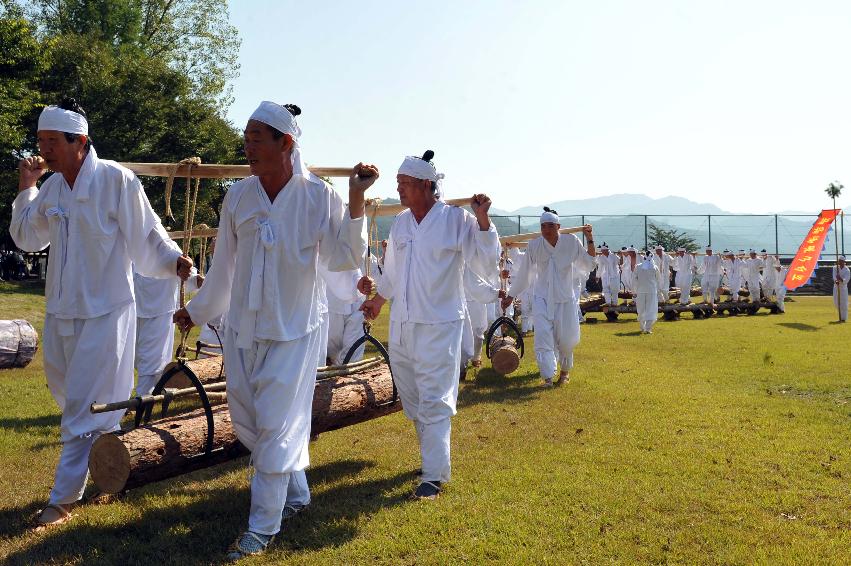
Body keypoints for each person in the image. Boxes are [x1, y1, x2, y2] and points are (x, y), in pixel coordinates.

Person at [173, 101, 377, 559]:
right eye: (245, 138)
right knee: (249, 421)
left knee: (277, 425)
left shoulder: (318, 196)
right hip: (244, 329)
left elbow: (343, 257)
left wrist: (357, 198)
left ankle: (262, 526)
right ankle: (298, 494)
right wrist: (198, 311)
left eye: (255, 139)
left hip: (296, 330)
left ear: (286, 143)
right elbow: (223, 266)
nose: (247, 147)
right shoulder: (238, 196)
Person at [10, 98, 192, 527]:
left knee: (79, 408)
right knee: (73, 394)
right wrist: (26, 187)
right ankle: (117, 466)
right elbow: (26, 238)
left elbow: (147, 234)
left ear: (80, 141)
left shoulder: (116, 180)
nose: (45, 149)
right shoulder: (51, 188)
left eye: (53, 141)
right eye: (41, 141)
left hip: (105, 312)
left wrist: (172, 260)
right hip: (60, 311)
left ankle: (62, 499)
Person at [359, 150, 498, 500]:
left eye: (405, 184)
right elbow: (392, 273)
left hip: (440, 324)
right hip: (403, 326)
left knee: (435, 398)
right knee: (413, 398)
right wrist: (378, 300)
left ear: (426, 185)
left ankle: (434, 476)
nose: (400, 190)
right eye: (398, 184)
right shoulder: (403, 222)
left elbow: (484, 260)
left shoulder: (456, 220)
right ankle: (430, 460)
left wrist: (482, 220)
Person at [502, 209, 595, 387]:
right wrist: (511, 295)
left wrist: (590, 237)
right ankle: (547, 377)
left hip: (565, 299)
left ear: (558, 226)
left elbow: (589, 262)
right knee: (543, 337)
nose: (546, 230)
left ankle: (564, 373)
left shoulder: (571, 242)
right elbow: (525, 273)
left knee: (566, 340)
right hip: (542, 298)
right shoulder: (535, 245)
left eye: (550, 226)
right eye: (543, 226)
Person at [133, 267, 202, 395]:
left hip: (159, 310)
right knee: (136, 357)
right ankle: (150, 392)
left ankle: (145, 396)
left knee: (152, 359)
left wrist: (195, 280)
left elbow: (181, 270)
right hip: (136, 309)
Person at [635, 252, 660, 333]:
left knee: (641, 309)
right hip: (651, 291)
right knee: (650, 309)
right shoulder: (654, 267)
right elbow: (658, 279)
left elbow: (634, 279)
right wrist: (658, 290)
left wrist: (633, 290)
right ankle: (648, 328)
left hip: (641, 290)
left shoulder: (638, 267)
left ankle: (643, 327)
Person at [833, 256, 849, 322]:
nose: (839, 262)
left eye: (840, 261)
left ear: (843, 262)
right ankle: (840, 317)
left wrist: (841, 279)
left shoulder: (847, 270)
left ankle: (843, 318)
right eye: (838, 261)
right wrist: (836, 280)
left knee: (843, 303)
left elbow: (846, 280)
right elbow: (834, 276)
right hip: (836, 287)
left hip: (843, 289)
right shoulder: (835, 268)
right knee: (836, 302)